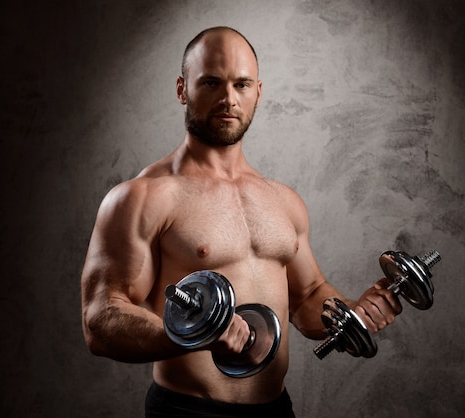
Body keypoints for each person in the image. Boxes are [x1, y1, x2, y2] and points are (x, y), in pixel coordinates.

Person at [81, 26, 403, 417]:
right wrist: (195, 334)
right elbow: (100, 319)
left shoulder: (283, 201)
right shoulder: (144, 196)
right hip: (188, 411)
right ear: (183, 89)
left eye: (242, 84)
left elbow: (306, 297)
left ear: (259, 93)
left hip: (275, 410)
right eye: (212, 82)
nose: (229, 99)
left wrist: (353, 315)